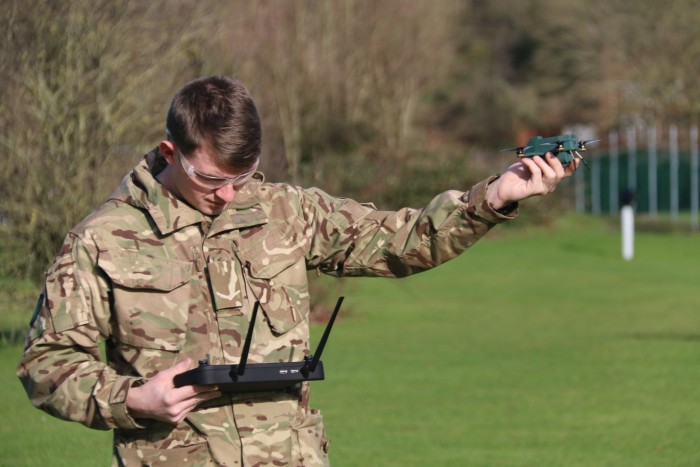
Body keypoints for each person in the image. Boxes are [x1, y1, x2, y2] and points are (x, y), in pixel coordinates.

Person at [17, 75, 577, 466]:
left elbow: (400, 241)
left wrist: (495, 196)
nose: (231, 194)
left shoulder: (287, 212)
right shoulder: (103, 240)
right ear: (170, 152)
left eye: (245, 175)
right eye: (213, 179)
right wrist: (132, 399)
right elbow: (45, 365)